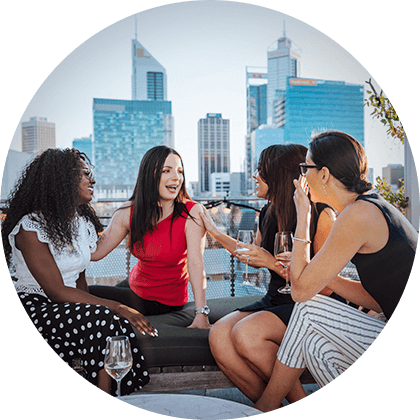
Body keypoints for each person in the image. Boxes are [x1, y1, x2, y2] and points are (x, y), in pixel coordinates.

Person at [254, 131, 418, 412]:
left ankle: (265, 407)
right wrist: (321, 271)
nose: (302, 175)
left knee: (307, 309)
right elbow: (379, 299)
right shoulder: (369, 207)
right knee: (315, 347)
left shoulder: (358, 215)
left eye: (306, 168)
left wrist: (303, 218)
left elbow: (301, 291)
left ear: (325, 174)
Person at [2, 148, 150, 395]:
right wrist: (115, 306)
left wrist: (102, 309)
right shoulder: (30, 227)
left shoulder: (79, 223)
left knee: (113, 326)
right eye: (85, 174)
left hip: (66, 304)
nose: (92, 179)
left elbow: (80, 276)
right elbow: (56, 291)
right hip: (36, 305)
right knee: (104, 319)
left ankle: (117, 392)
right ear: (61, 180)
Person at [200, 144, 340, 403]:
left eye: (260, 169)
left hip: (310, 305)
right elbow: (253, 257)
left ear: (278, 175)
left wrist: (273, 264)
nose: (254, 175)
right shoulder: (269, 211)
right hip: (276, 300)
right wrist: (214, 232)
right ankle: (266, 405)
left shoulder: (321, 215)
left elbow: (327, 287)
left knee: (245, 334)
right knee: (219, 335)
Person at [90, 145, 210, 329]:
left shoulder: (192, 213)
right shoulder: (128, 212)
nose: (176, 177)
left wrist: (201, 312)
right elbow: (96, 252)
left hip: (163, 300)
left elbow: (196, 263)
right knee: (76, 293)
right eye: (166, 171)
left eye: (180, 171)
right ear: (149, 175)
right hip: (135, 285)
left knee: (86, 294)